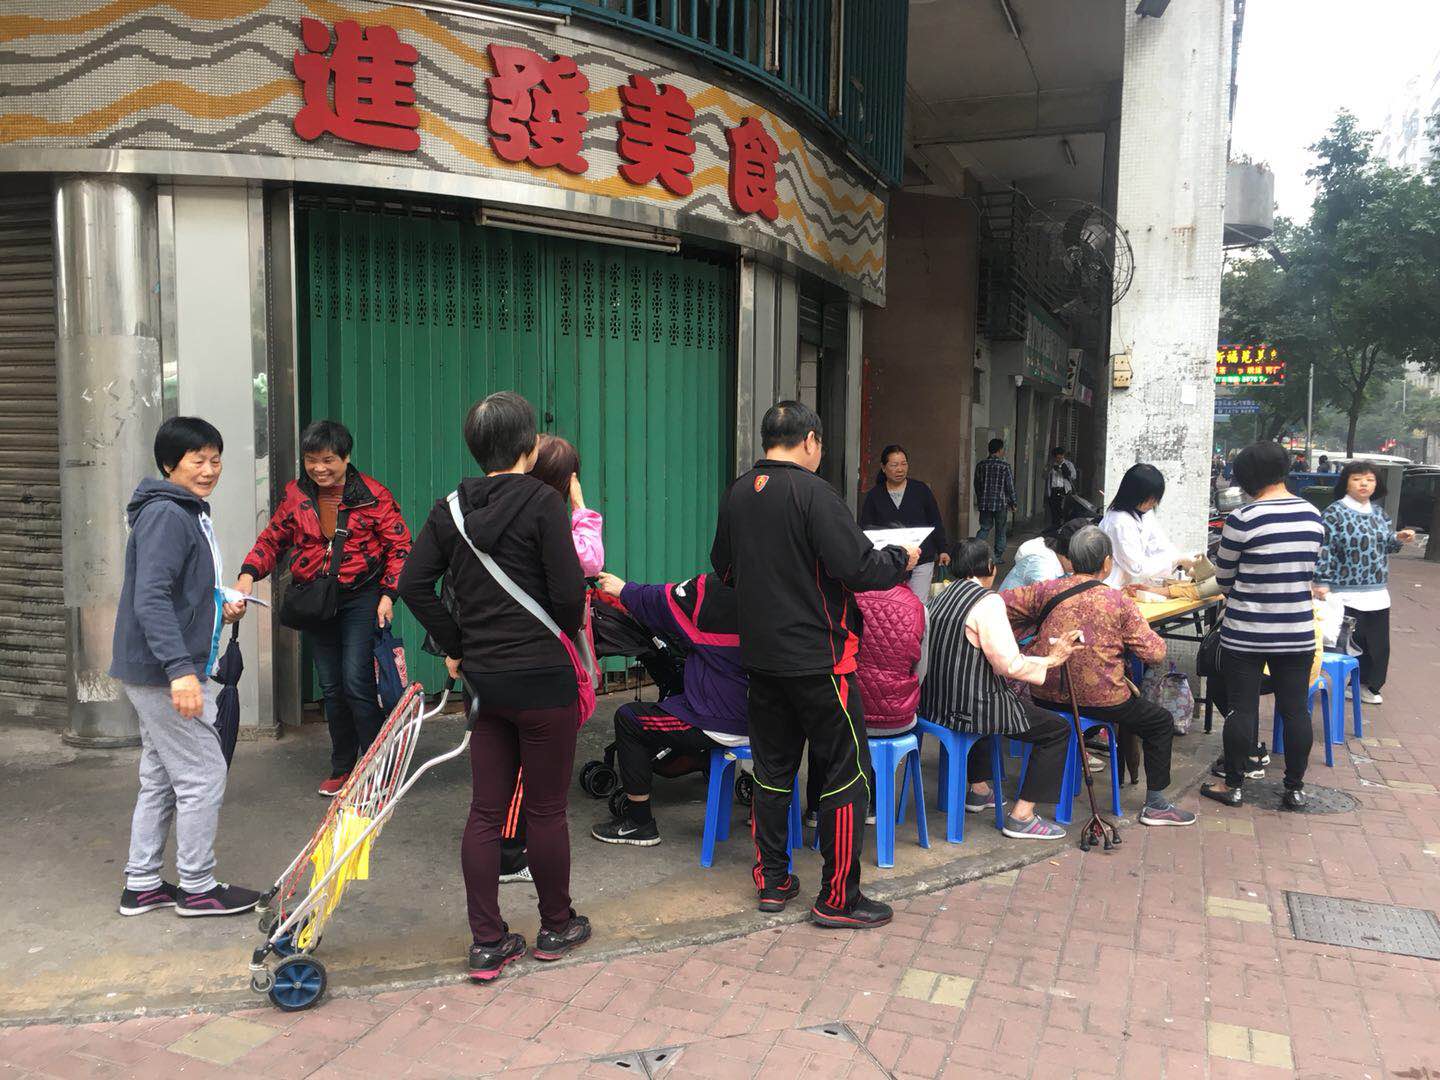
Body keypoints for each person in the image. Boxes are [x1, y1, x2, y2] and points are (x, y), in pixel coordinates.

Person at [398, 391, 590, 982]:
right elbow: (568, 596)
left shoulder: (448, 510)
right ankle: (556, 926)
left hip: (484, 682)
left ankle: (487, 941)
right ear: (529, 447)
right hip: (545, 681)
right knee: (546, 810)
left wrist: (457, 644)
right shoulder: (544, 503)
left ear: (476, 448)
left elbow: (412, 584)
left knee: (485, 811)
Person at [711, 400, 918, 929]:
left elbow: (724, 569)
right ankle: (838, 897)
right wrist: (900, 558)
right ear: (809, 441)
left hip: (762, 660)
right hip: (821, 661)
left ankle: (773, 880)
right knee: (848, 772)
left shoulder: (738, 492)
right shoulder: (814, 493)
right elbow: (859, 568)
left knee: (773, 771)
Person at [111, 417, 260, 918]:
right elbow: (151, 598)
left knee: (160, 776)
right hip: (163, 671)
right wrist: (180, 670)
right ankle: (197, 886)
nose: (209, 469)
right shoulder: (168, 515)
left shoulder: (182, 511)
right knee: (202, 773)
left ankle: (142, 883)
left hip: (156, 665)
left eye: (215, 460)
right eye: (198, 460)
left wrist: (221, 605)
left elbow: (178, 592)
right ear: (169, 464)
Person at [236, 420, 411, 797]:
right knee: (331, 688)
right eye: (311, 460)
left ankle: (376, 767)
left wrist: (388, 595)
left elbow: (400, 547)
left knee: (357, 682)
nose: (319, 468)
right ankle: (343, 765)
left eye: (328, 460)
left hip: (361, 598)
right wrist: (248, 573)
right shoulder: (296, 495)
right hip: (317, 601)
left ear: (346, 458)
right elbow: (272, 539)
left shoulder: (373, 495)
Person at [1002, 527, 1197, 827]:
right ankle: (1156, 804)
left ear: (1071, 559)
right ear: (1107, 563)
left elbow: (998, 604)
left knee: (1084, 718)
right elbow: (1155, 653)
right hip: (1104, 700)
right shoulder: (1117, 601)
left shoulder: (1045, 590)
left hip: (1044, 694)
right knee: (1160, 722)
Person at [920, 540, 1082, 840]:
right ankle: (1022, 816)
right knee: (1056, 730)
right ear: (990, 568)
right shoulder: (988, 602)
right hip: (966, 707)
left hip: (933, 704)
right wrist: (1051, 660)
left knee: (983, 701)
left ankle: (979, 789)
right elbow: (1008, 665)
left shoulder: (939, 597)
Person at [495, 434, 603, 883]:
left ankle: (507, 841)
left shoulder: (498, 512)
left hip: (498, 650)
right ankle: (510, 850)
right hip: (539, 655)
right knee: (529, 761)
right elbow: (590, 561)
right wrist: (581, 507)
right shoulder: (549, 523)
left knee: (509, 754)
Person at [1200, 442, 1325, 811]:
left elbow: (1224, 579)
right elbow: (1310, 569)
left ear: (1247, 477)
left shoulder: (1243, 518)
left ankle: (1233, 786)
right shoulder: (1312, 515)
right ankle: (1295, 789)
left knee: (1242, 708)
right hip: (1297, 630)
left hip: (1247, 632)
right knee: (1295, 710)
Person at [588, 570, 746, 846]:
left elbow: (662, 601)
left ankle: (639, 823)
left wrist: (624, 590)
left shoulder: (711, 591)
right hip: (770, 723)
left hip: (720, 719)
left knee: (629, 718)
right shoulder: (782, 591)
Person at [1313, 461, 1416, 704]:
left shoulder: (1379, 513)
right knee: (1349, 642)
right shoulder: (1334, 513)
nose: (1364, 484)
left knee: (1377, 645)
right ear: (1346, 483)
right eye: (1357, 478)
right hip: (1344, 591)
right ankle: (1340, 682)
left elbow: (1386, 544)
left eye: (1370, 480)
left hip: (1377, 591)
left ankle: (1368, 686)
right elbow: (1325, 549)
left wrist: (1399, 538)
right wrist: (1321, 581)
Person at [859, 444, 950, 601]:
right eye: (894, 465)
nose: (900, 469)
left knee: (919, 604)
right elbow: (866, 528)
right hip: (889, 562)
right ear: (883, 467)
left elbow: (935, 520)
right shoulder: (875, 495)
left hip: (921, 559)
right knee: (893, 606)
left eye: (903, 464)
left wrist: (943, 549)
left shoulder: (921, 490)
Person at [1098, 463, 1194, 589]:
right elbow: (1137, 567)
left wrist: (1182, 560)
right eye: (1149, 498)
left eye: (1155, 499)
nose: (1153, 503)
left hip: (1130, 585)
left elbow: (1160, 544)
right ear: (1134, 494)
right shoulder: (1119, 522)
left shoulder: (1145, 513)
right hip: (1112, 585)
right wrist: (1176, 560)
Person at [998, 517, 1087, 591]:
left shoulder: (1062, 562)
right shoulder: (1042, 568)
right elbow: (1049, 601)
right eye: (1077, 562)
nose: (1078, 567)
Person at [973, 438, 1017, 561]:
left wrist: (981, 498)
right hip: (1000, 504)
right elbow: (1009, 486)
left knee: (984, 528)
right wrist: (1013, 502)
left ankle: (973, 552)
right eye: (1002, 449)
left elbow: (977, 484)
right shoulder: (1005, 466)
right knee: (1000, 530)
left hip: (985, 503)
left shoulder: (981, 465)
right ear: (999, 450)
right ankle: (997, 556)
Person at [1045, 447, 1079, 529]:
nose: (1059, 460)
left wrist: (1064, 471)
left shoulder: (1068, 464)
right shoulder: (1051, 464)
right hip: (1053, 490)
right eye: (1057, 458)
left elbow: (1074, 476)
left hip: (1064, 490)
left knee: (1064, 510)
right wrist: (1050, 468)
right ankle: (1055, 527)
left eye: (1061, 458)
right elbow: (1044, 475)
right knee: (1054, 510)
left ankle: (1064, 527)